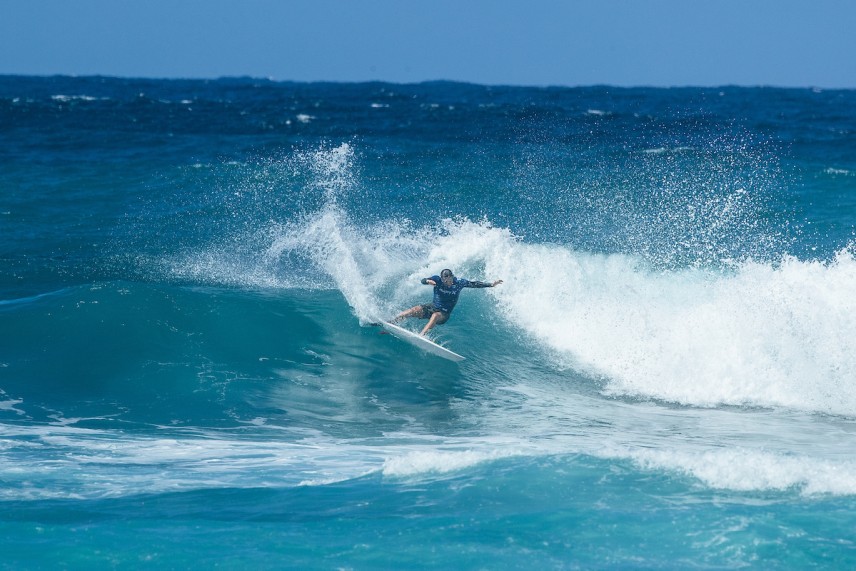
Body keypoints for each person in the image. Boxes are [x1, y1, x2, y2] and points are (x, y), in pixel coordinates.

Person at [394, 268, 503, 336]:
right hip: (433, 307)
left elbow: (474, 284)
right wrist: (427, 281)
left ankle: (421, 335)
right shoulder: (437, 280)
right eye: (445, 280)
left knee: (436, 316)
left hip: (444, 314)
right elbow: (423, 280)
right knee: (414, 310)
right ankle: (392, 322)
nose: (448, 282)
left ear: (452, 276)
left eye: (449, 279)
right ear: (442, 278)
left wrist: (491, 284)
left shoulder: (459, 282)